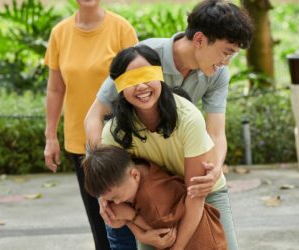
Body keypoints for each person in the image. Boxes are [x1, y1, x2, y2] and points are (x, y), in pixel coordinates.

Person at [84, 1, 253, 249]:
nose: (227, 61)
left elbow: (216, 133)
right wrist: (108, 181)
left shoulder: (213, 79)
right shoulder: (142, 59)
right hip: (153, 187)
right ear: (199, 39)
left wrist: (214, 169)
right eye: (226, 51)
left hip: (194, 177)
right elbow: (94, 115)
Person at [100, 44, 237, 249]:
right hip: (153, 203)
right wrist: (142, 234)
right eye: (131, 80)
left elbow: (195, 194)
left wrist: (178, 247)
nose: (141, 86)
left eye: (147, 75)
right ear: (118, 86)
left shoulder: (188, 117)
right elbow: (116, 202)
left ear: (160, 76)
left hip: (202, 193)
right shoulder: (114, 133)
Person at [43, 0, 138, 249]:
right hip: (82, 145)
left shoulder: (121, 29)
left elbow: (138, 83)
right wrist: (50, 136)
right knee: (100, 224)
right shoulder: (60, 33)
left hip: (120, 141)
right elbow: (55, 89)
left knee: (129, 221)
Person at [83, 145, 228, 250]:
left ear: (135, 175)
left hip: (201, 244)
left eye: (117, 197)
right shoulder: (139, 166)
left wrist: (130, 217)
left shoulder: (151, 199)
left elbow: (166, 236)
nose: (117, 202)